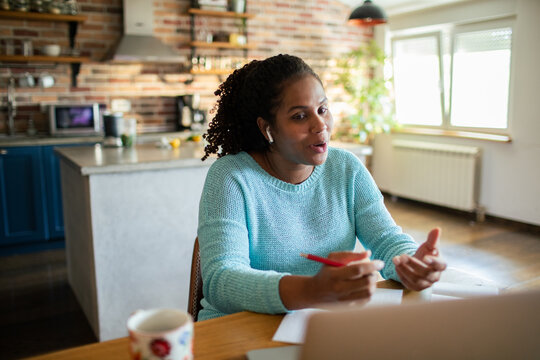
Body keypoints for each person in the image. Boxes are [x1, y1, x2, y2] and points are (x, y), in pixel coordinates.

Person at [197, 54, 446, 321]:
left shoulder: (346, 167)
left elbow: (386, 239)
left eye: (323, 109)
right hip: (239, 329)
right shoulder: (231, 177)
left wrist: (410, 262)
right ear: (267, 128)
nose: (320, 126)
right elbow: (221, 280)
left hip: (324, 324)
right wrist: (312, 290)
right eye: (300, 116)